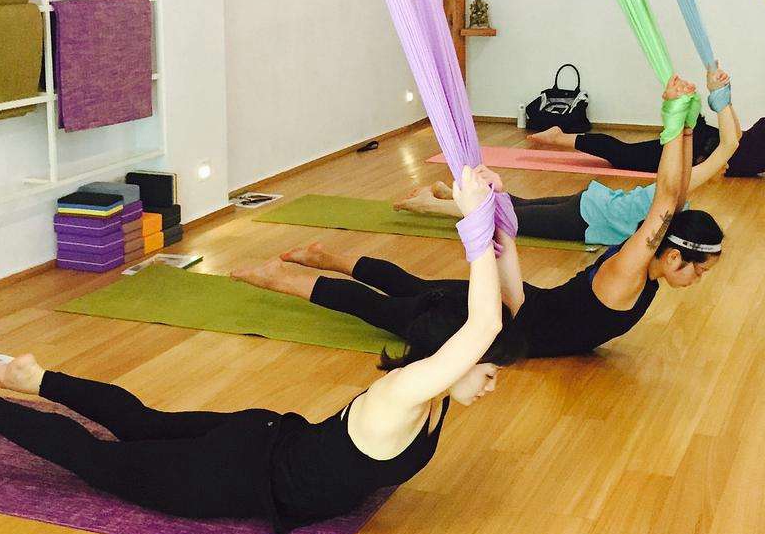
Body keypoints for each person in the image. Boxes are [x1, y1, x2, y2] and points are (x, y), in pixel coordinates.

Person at [0, 169, 507, 534]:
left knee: (142, 423)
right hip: (233, 474)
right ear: (448, 354)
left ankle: (37, 378)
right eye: (483, 365)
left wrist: (500, 221)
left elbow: (506, 308)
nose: (491, 377)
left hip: (263, 436)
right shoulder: (402, 394)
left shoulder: (427, 391)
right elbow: (483, 323)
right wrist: (473, 220)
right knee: (96, 459)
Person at [235, 76, 724, 361]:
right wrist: (672, 119)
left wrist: (685, 125)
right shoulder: (630, 271)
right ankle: (279, 277)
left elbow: (676, 193)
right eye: (699, 269)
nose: (699, 278)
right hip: (499, 324)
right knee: (382, 309)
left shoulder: (647, 264)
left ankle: (326, 256)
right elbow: (666, 199)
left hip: (514, 303)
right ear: (672, 255)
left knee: (414, 285)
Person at [394, 67, 740, 248]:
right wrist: (715, 97)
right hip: (587, 218)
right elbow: (729, 145)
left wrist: (717, 99)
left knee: (517, 206)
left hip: (590, 203)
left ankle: (447, 193)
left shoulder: (679, 189)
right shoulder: (674, 197)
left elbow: (729, 144)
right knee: (506, 217)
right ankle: (428, 205)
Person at [529, 35, 765, 179]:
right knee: (623, 155)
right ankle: (559, 137)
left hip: (704, 143)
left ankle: (687, 105)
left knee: (627, 153)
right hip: (698, 151)